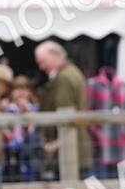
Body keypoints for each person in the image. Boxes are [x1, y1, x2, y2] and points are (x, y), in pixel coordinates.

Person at [34, 41, 90, 178]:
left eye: (43, 61)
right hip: (71, 145)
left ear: (55, 56)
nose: (41, 67)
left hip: (67, 147)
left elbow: (64, 112)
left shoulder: (64, 77)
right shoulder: (70, 72)